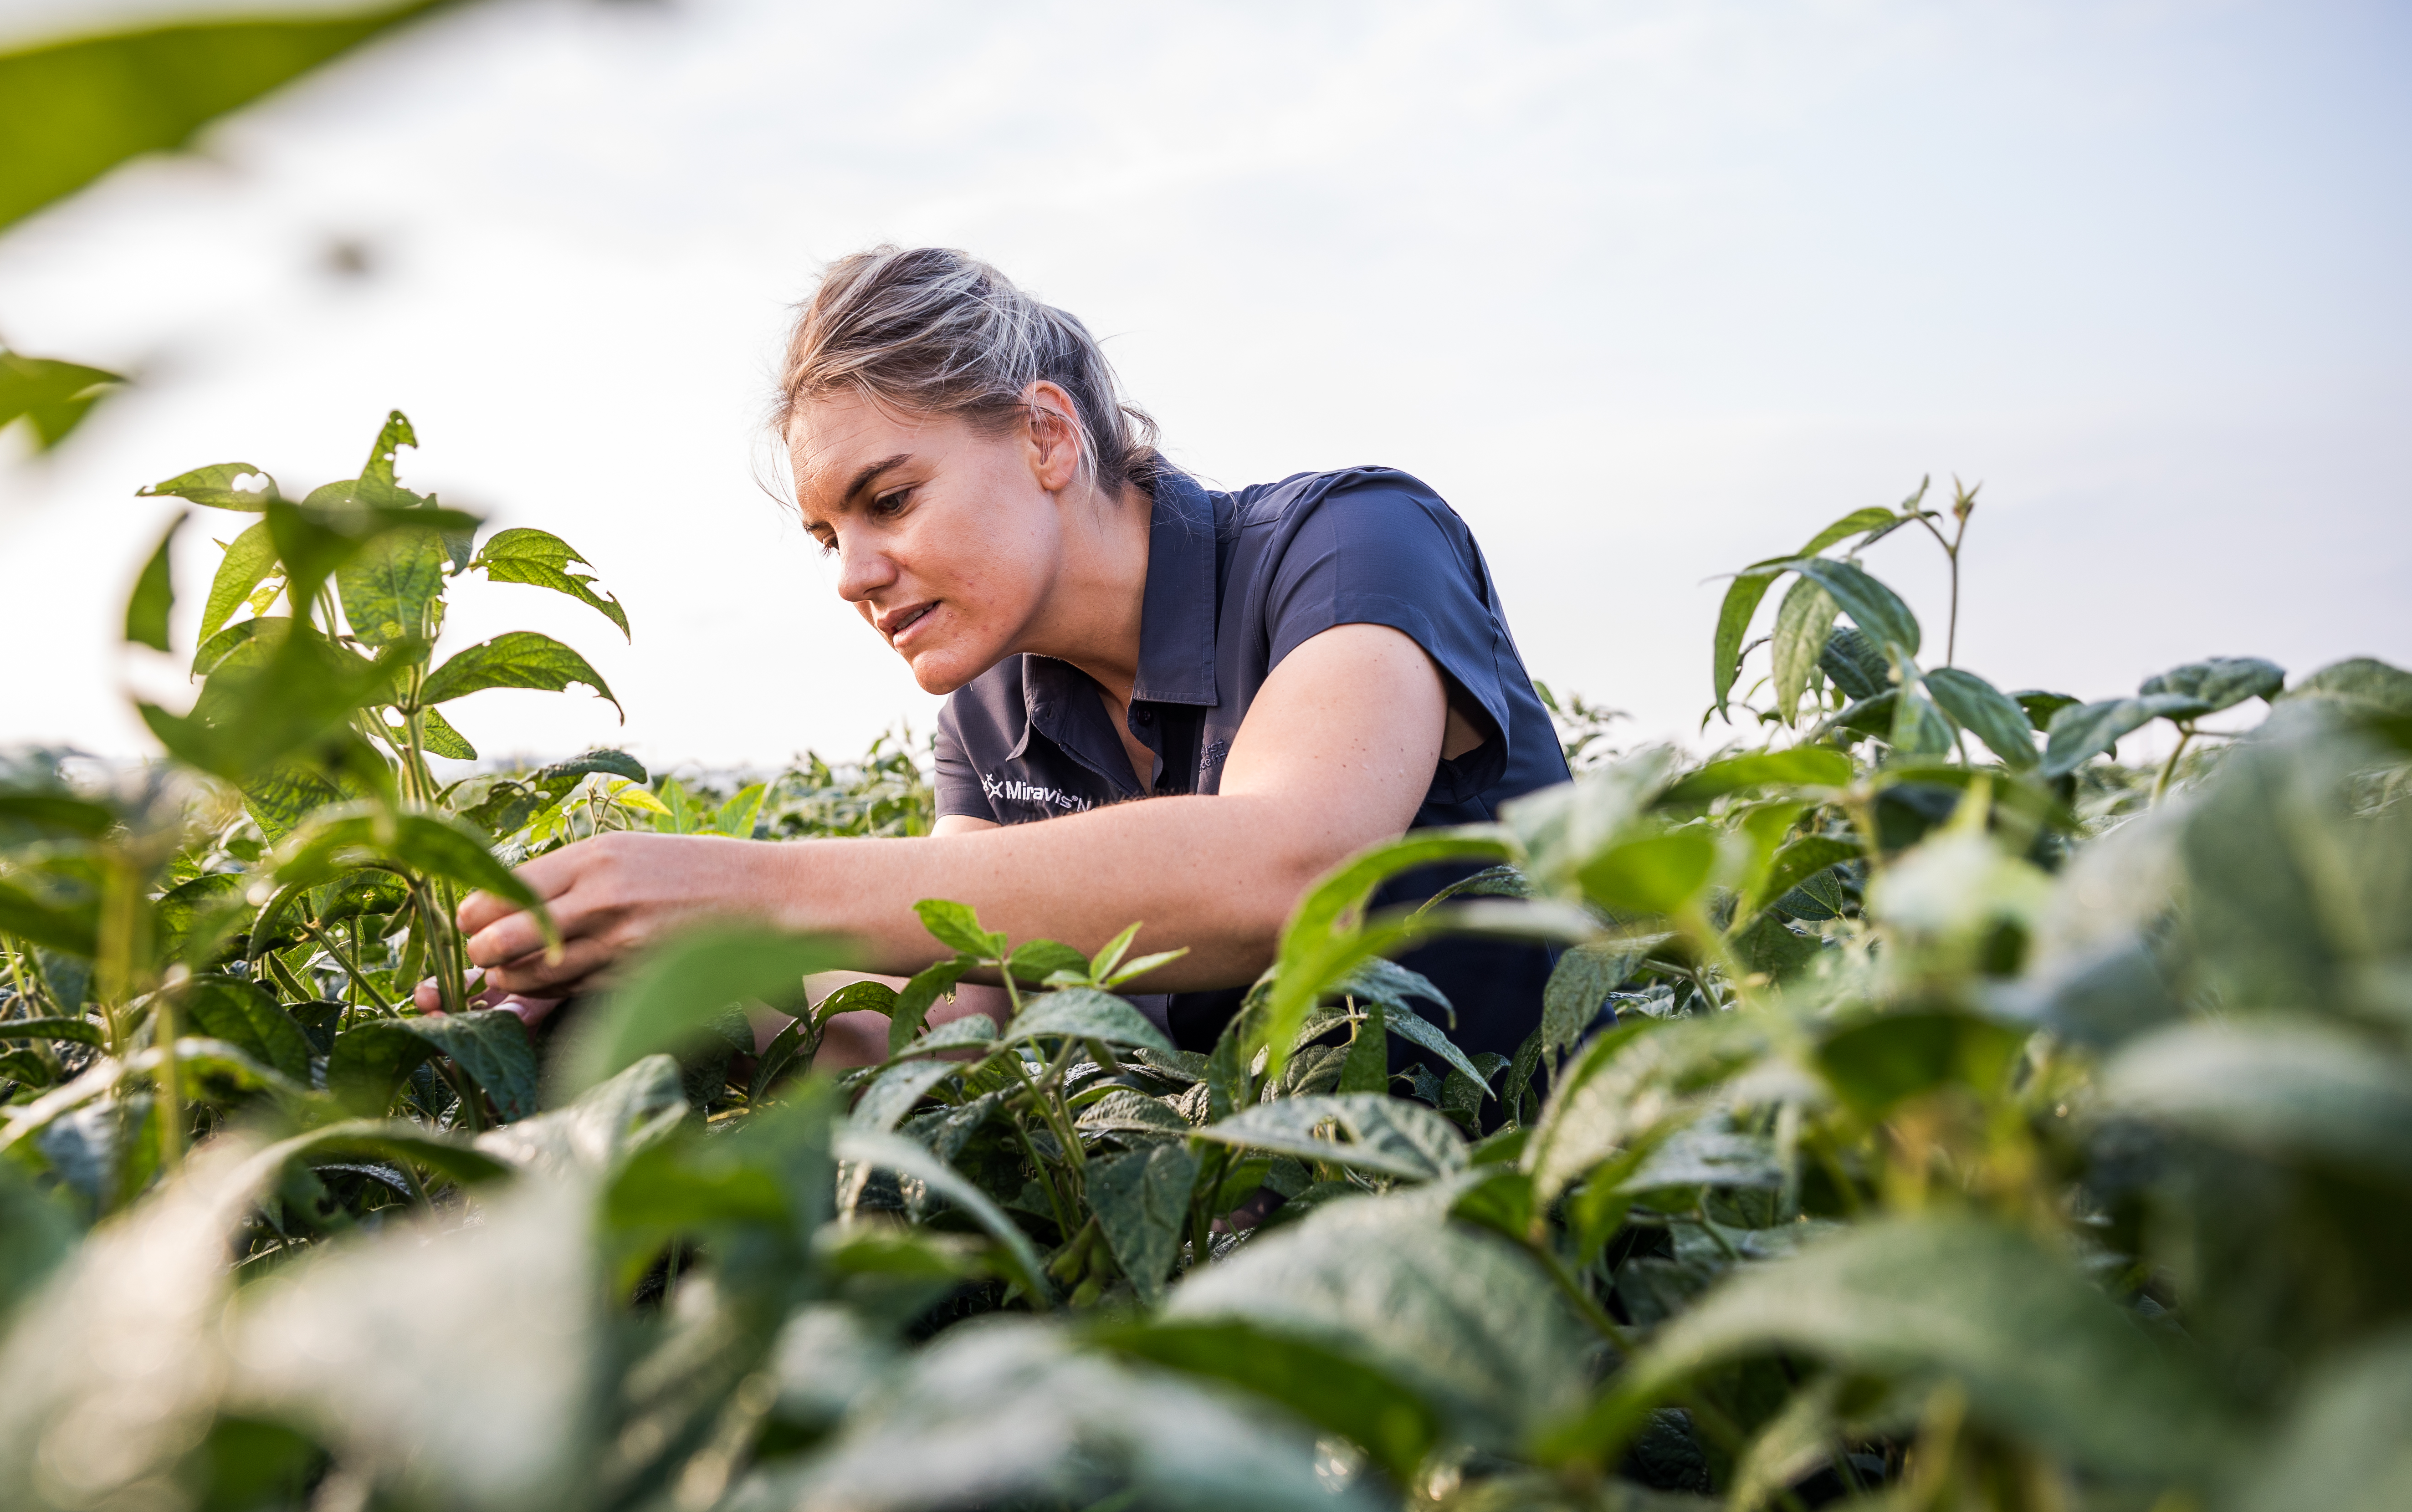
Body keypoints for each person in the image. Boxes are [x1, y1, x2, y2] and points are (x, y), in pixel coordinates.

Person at [433, 245, 1572, 1078]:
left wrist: (748, 886)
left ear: (1045, 433)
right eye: (831, 536)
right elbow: (956, 1012)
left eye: (890, 499)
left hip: (1542, 1225)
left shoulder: (1349, 546)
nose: (852, 575)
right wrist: (663, 996)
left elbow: (1286, 867)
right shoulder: (993, 704)